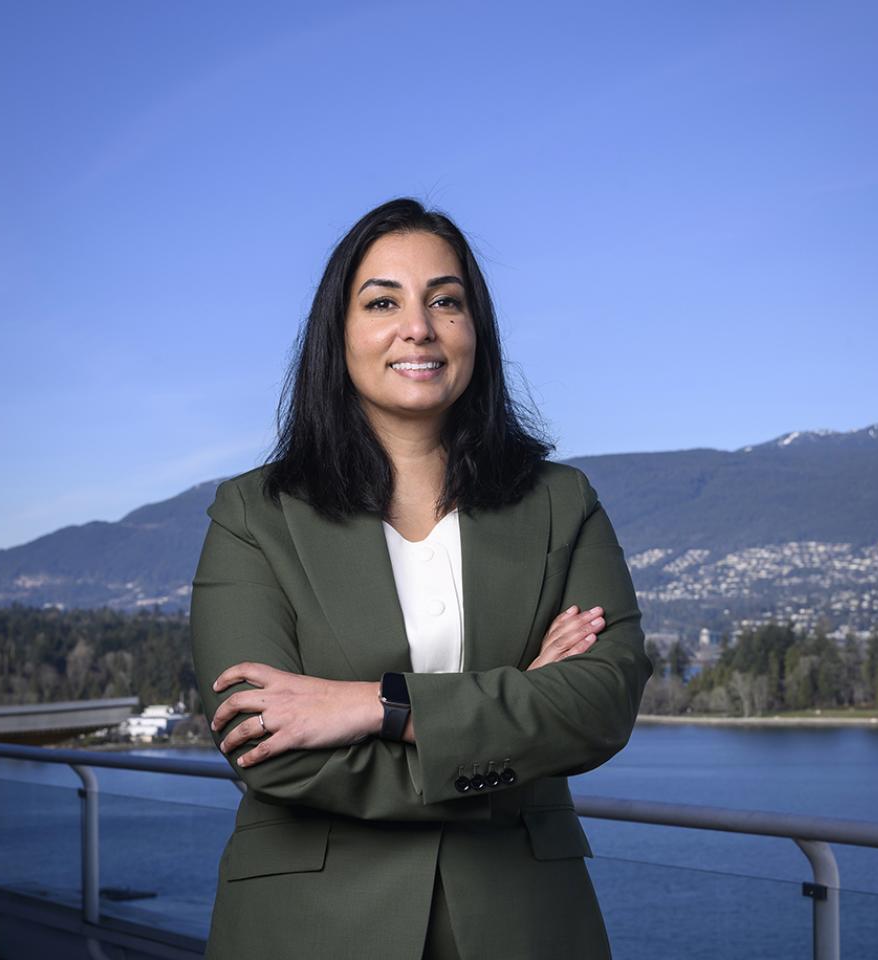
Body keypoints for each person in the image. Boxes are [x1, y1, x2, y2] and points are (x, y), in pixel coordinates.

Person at [190, 197, 652, 960]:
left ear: (477, 330)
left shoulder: (560, 501)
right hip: (308, 929)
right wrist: (511, 726)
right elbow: (262, 739)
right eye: (382, 302)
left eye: (446, 299)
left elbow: (599, 705)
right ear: (336, 334)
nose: (420, 327)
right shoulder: (253, 514)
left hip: (526, 923)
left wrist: (375, 705)